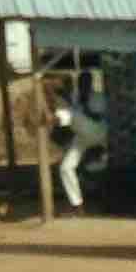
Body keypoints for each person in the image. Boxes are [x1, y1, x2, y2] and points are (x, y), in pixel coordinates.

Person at [55, 73, 106, 214]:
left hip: (97, 133)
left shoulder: (98, 97)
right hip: (81, 137)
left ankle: (53, 120)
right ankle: (77, 205)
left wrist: (82, 105)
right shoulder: (75, 96)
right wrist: (67, 98)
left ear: (90, 83)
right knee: (65, 167)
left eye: (86, 82)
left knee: (71, 113)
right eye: (81, 82)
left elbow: (98, 117)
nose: (83, 85)